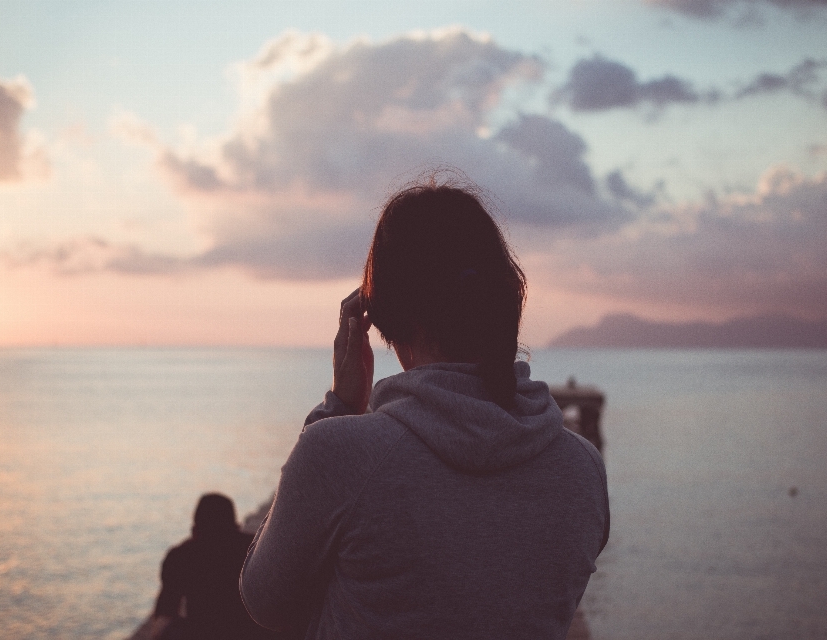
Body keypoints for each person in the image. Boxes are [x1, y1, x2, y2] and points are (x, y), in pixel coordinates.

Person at [240, 182, 610, 639]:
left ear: (383, 316)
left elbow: (265, 602)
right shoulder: (583, 469)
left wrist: (339, 406)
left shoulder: (340, 453)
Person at [149, 493, 275, 640]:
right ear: (236, 527)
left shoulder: (180, 556)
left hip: (201, 634)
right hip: (253, 634)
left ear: (195, 530)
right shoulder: (254, 549)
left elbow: (164, 616)